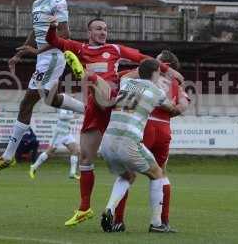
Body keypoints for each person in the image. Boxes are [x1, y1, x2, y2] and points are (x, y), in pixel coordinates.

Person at [20, 17, 184, 226]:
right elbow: (54, 40)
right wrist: (52, 26)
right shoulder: (79, 48)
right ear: (89, 32)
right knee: (86, 159)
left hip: (111, 97)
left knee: (113, 82)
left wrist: (167, 69)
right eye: (98, 29)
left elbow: (142, 57)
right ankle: (84, 208)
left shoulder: (114, 49)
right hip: (94, 107)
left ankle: (87, 76)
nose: (103, 32)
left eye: (105, 29)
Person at [0, 0, 84, 173]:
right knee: (50, 99)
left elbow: (65, 34)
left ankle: (8, 156)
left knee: (27, 101)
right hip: (43, 58)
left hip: (53, 57)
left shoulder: (57, 1)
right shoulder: (36, 4)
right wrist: (20, 54)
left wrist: (39, 50)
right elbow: (36, 30)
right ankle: (91, 110)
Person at [112, 50, 189, 232]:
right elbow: (182, 106)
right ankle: (161, 222)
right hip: (164, 129)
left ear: (165, 65)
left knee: (127, 173)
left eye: (157, 59)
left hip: (144, 125)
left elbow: (120, 78)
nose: (152, 60)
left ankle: (118, 221)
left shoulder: (144, 74)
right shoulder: (176, 83)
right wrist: (173, 107)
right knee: (161, 174)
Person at [29, 109, 80, 180]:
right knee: (50, 151)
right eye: (73, 96)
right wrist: (73, 116)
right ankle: (34, 167)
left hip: (66, 133)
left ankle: (72, 173)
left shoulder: (70, 105)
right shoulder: (63, 104)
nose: (74, 96)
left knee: (75, 150)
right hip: (59, 133)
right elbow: (62, 116)